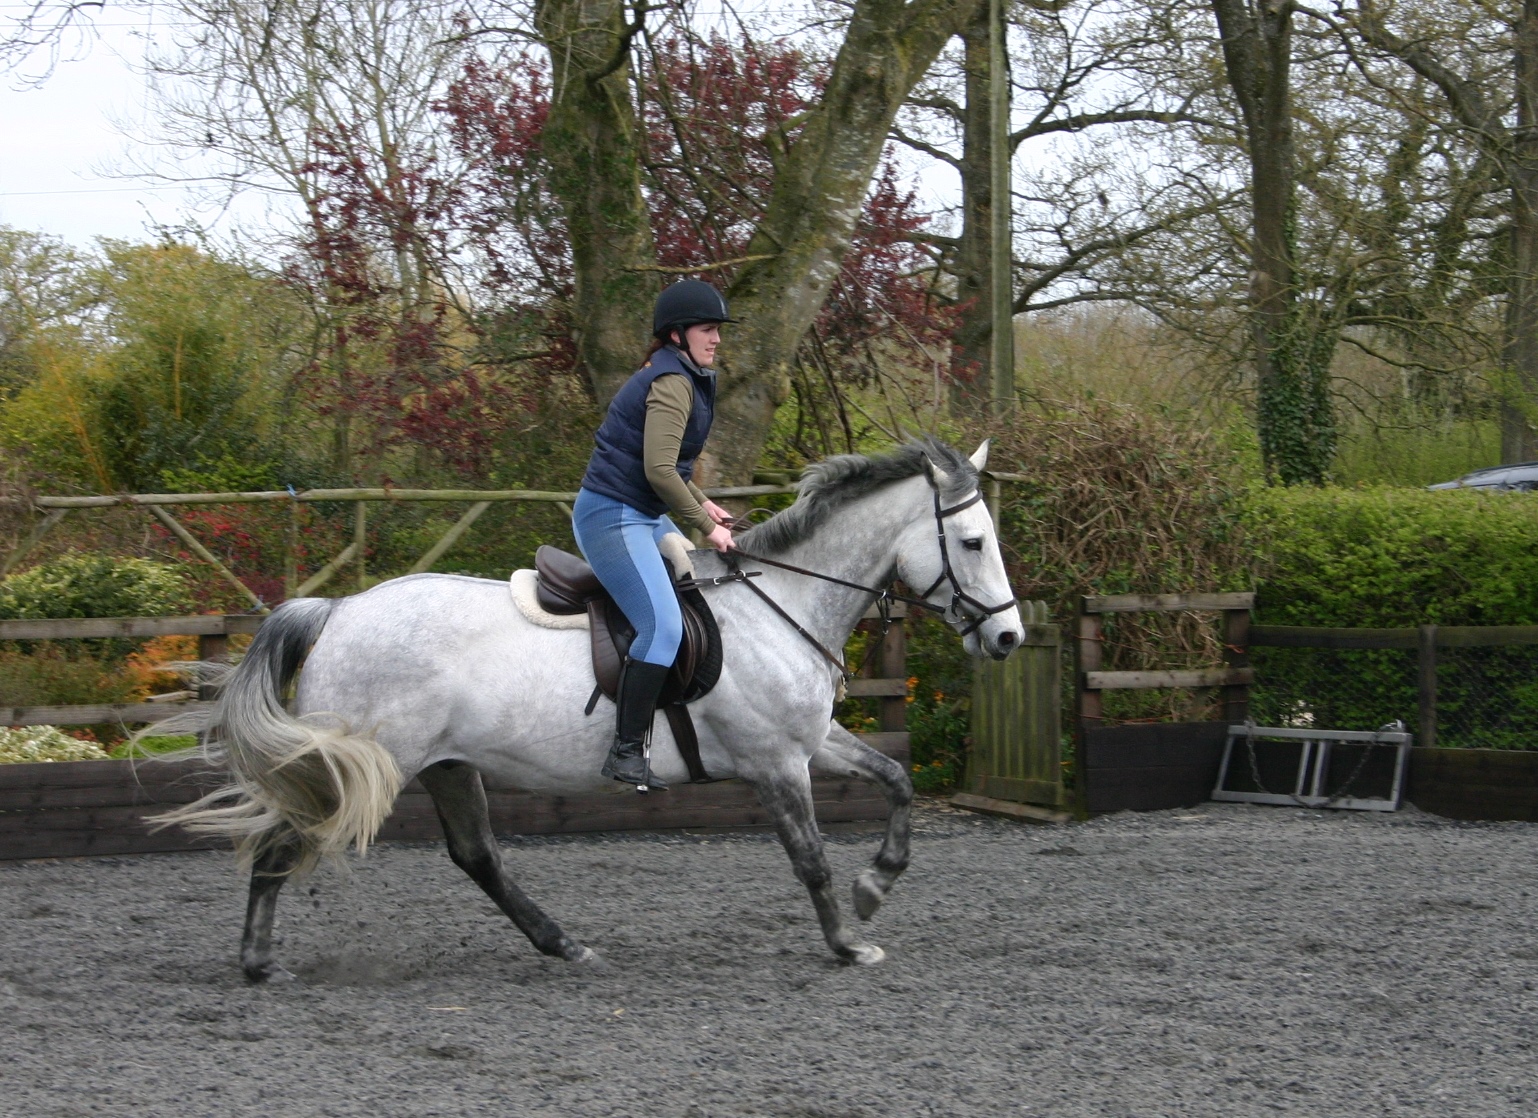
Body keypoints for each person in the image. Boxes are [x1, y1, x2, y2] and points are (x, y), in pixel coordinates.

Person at [573, 279, 738, 790]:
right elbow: (659, 471)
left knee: (697, 589)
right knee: (664, 628)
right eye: (707, 330)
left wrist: (703, 502)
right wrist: (707, 527)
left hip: (643, 512)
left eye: (717, 330)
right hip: (614, 516)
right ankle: (625, 752)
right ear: (676, 334)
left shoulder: (682, 374)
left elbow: (672, 467)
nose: (716, 339)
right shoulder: (672, 382)